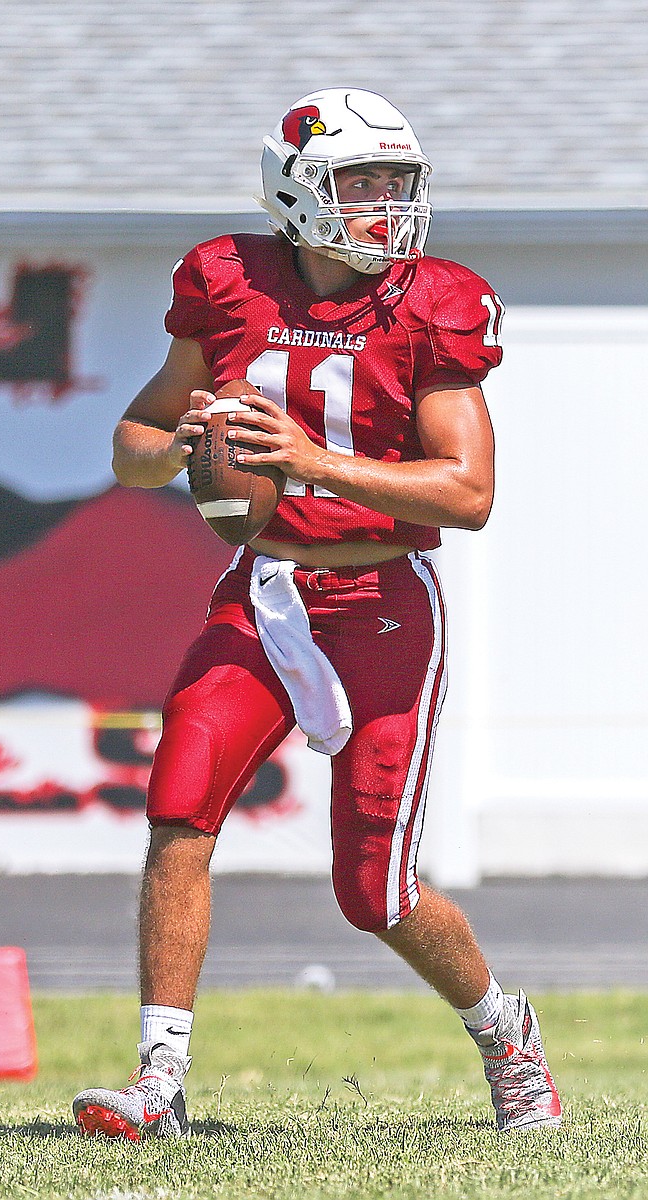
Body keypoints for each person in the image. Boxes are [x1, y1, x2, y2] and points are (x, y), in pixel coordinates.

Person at [73, 87, 562, 1139]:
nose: (386, 204)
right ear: (297, 190)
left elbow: (468, 495)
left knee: (371, 888)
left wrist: (308, 459)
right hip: (263, 592)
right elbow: (130, 443)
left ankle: (505, 1035)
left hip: (381, 598)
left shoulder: (429, 302)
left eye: (397, 182)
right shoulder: (226, 284)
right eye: (362, 182)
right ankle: (158, 1085)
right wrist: (185, 447)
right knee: (177, 811)